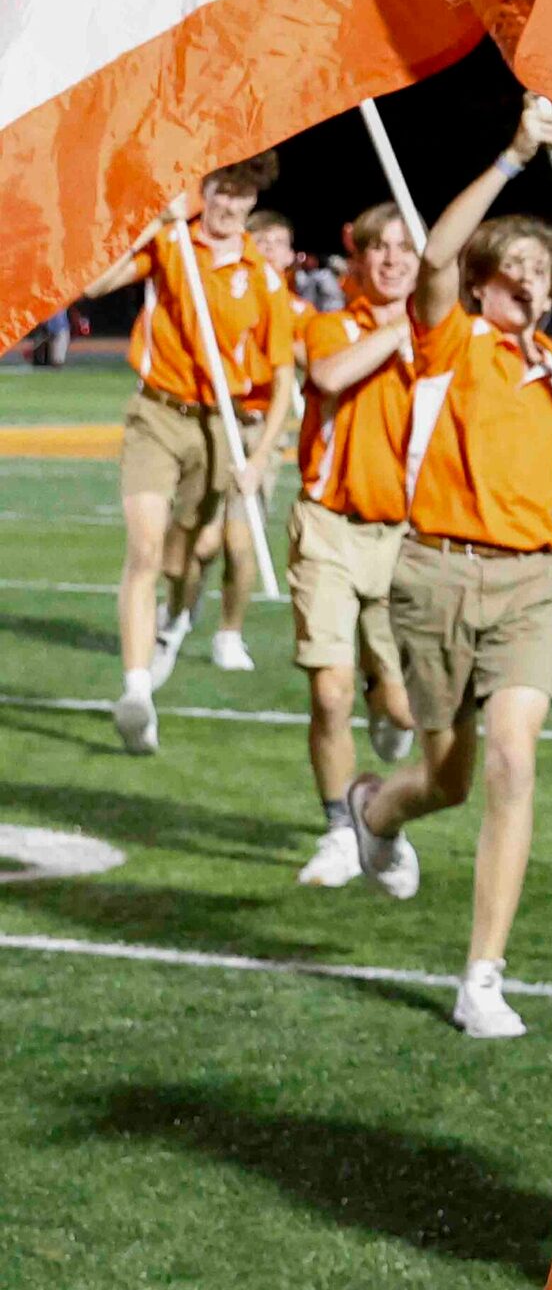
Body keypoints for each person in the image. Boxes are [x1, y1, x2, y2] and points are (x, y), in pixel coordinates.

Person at [344, 100, 552, 1039]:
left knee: (514, 762)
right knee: (445, 777)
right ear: (486, 285)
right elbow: (435, 256)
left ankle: (481, 974)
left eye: (540, 267)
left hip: (529, 583)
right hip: (434, 574)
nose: (525, 276)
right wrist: (515, 155)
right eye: (511, 265)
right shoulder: (451, 344)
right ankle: (377, 809)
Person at [84, 153, 298, 754]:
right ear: (204, 191)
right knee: (146, 548)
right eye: (220, 192)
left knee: (190, 552)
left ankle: (179, 619)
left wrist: (261, 457)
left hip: (221, 426)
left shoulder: (264, 276)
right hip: (157, 414)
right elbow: (95, 283)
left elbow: (282, 378)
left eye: (241, 195)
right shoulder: (172, 242)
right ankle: (135, 691)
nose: (229, 206)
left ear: (255, 201)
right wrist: (154, 222)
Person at [289, 203, 427, 883]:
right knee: (329, 694)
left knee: (404, 710)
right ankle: (340, 829)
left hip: (406, 536)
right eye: (381, 248)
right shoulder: (330, 324)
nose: (394, 260)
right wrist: (403, 326)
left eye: (407, 249)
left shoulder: (441, 340)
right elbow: (330, 376)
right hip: (329, 526)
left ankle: (376, 803)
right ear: (360, 259)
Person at [187, 208, 308, 674]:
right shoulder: (223, 292)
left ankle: (229, 633)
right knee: (202, 542)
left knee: (241, 541)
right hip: (217, 420)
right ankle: (184, 604)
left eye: (282, 243)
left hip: (262, 426)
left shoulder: (294, 306)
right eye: (265, 241)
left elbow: (311, 356)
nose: (274, 251)